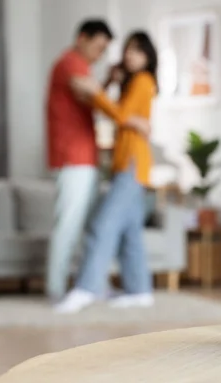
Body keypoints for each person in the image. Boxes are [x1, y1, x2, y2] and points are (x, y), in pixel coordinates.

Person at [55, 31, 159, 313]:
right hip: (126, 163)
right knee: (130, 231)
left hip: (132, 164)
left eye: (137, 51)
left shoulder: (143, 80)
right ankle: (140, 290)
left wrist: (98, 94)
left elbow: (121, 114)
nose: (129, 55)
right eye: (127, 49)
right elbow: (125, 117)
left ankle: (87, 288)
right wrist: (110, 86)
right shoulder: (132, 82)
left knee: (102, 225)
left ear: (148, 56)